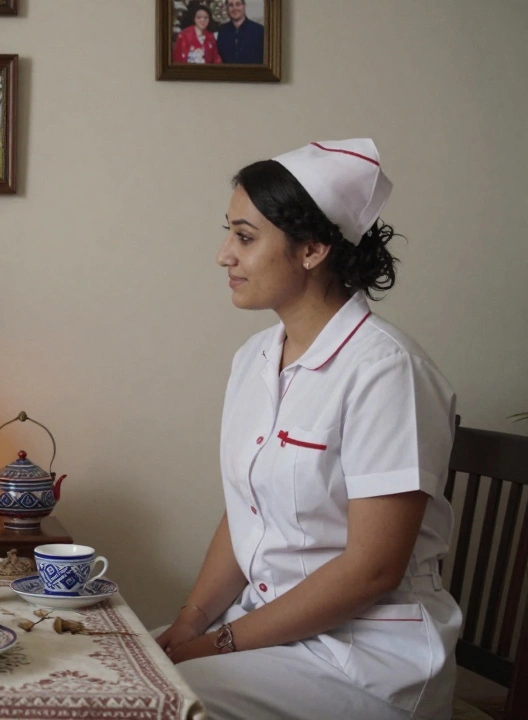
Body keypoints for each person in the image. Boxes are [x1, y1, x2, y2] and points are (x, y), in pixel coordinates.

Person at [155, 139, 461, 720]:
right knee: (113, 666)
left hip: (367, 657)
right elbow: (248, 512)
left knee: (155, 701)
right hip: (270, 634)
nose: (224, 255)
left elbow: (373, 568)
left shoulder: (386, 370)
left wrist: (215, 645)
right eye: (229, 233)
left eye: (245, 237)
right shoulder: (255, 358)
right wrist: (188, 625)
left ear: (314, 248)